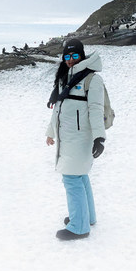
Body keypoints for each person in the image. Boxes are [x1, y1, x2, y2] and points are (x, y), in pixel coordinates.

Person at [45, 38, 106, 240]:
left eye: (74, 56)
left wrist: (99, 137)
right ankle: (87, 217)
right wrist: (50, 132)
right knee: (80, 175)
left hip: (80, 138)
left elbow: (96, 110)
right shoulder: (65, 77)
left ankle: (79, 227)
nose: (70, 60)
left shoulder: (92, 79)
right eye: (67, 56)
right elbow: (59, 109)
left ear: (81, 55)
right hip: (67, 137)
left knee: (71, 178)